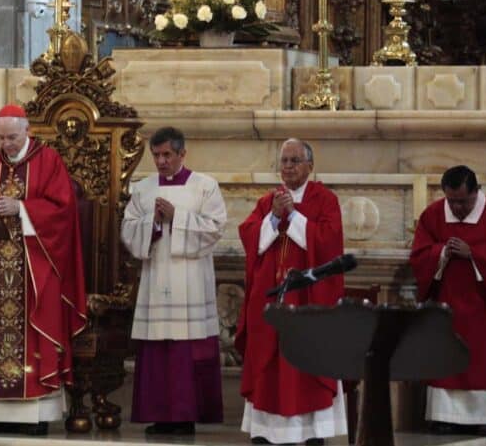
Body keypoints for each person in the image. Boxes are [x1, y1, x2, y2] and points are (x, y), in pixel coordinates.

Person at [0, 104, 87, 436]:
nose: (6, 144)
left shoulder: (49, 162)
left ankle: (36, 414)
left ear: (28, 130)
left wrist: (21, 208)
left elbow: (63, 211)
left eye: (13, 137)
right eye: (1, 137)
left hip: (37, 269)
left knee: (37, 331)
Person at [236, 138, 347, 445]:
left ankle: (312, 432)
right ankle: (267, 431)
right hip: (271, 299)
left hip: (309, 299)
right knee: (269, 362)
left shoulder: (324, 200)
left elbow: (330, 242)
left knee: (307, 362)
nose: (287, 167)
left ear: (310, 166)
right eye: (283, 161)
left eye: (294, 161)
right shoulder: (267, 201)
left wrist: (294, 216)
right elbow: (249, 236)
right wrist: (273, 216)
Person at [121, 127, 226, 435]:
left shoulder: (205, 186)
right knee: (158, 350)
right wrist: (151, 222)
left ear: (183, 153)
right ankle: (159, 414)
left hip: (190, 279)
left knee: (186, 351)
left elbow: (215, 229)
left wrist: (176, 217)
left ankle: (185, 415)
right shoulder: (143, 189)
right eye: (156, 155)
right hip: (156, 277)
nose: (161, 161)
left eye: (167, 154)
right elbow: (128, 229)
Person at [410, 165, 486, 435]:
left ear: (476, 192)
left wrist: (472, 253)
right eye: (452, 201)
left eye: (463, 201)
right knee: (447, 360)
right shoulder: (433, 214)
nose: (457, 207)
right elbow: (419, 255)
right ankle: (445, 415)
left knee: (484, 362)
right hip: (447, 306)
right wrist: (441, 252)